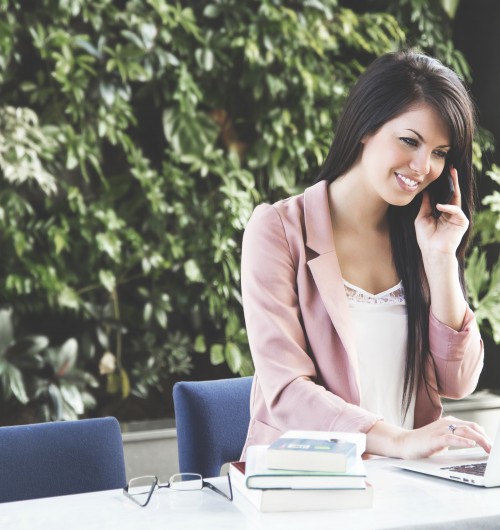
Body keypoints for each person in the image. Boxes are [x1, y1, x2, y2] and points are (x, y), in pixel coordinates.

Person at [240, 49, 491, 460]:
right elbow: (285, 390)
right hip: (309, 481)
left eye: (440, 152)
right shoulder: (279, 230)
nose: (423, 166)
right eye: (410, 141)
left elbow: (459, 381)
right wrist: (398, 440)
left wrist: (442, 260)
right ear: (364, 128)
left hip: (409, 485)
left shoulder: (422, 236)